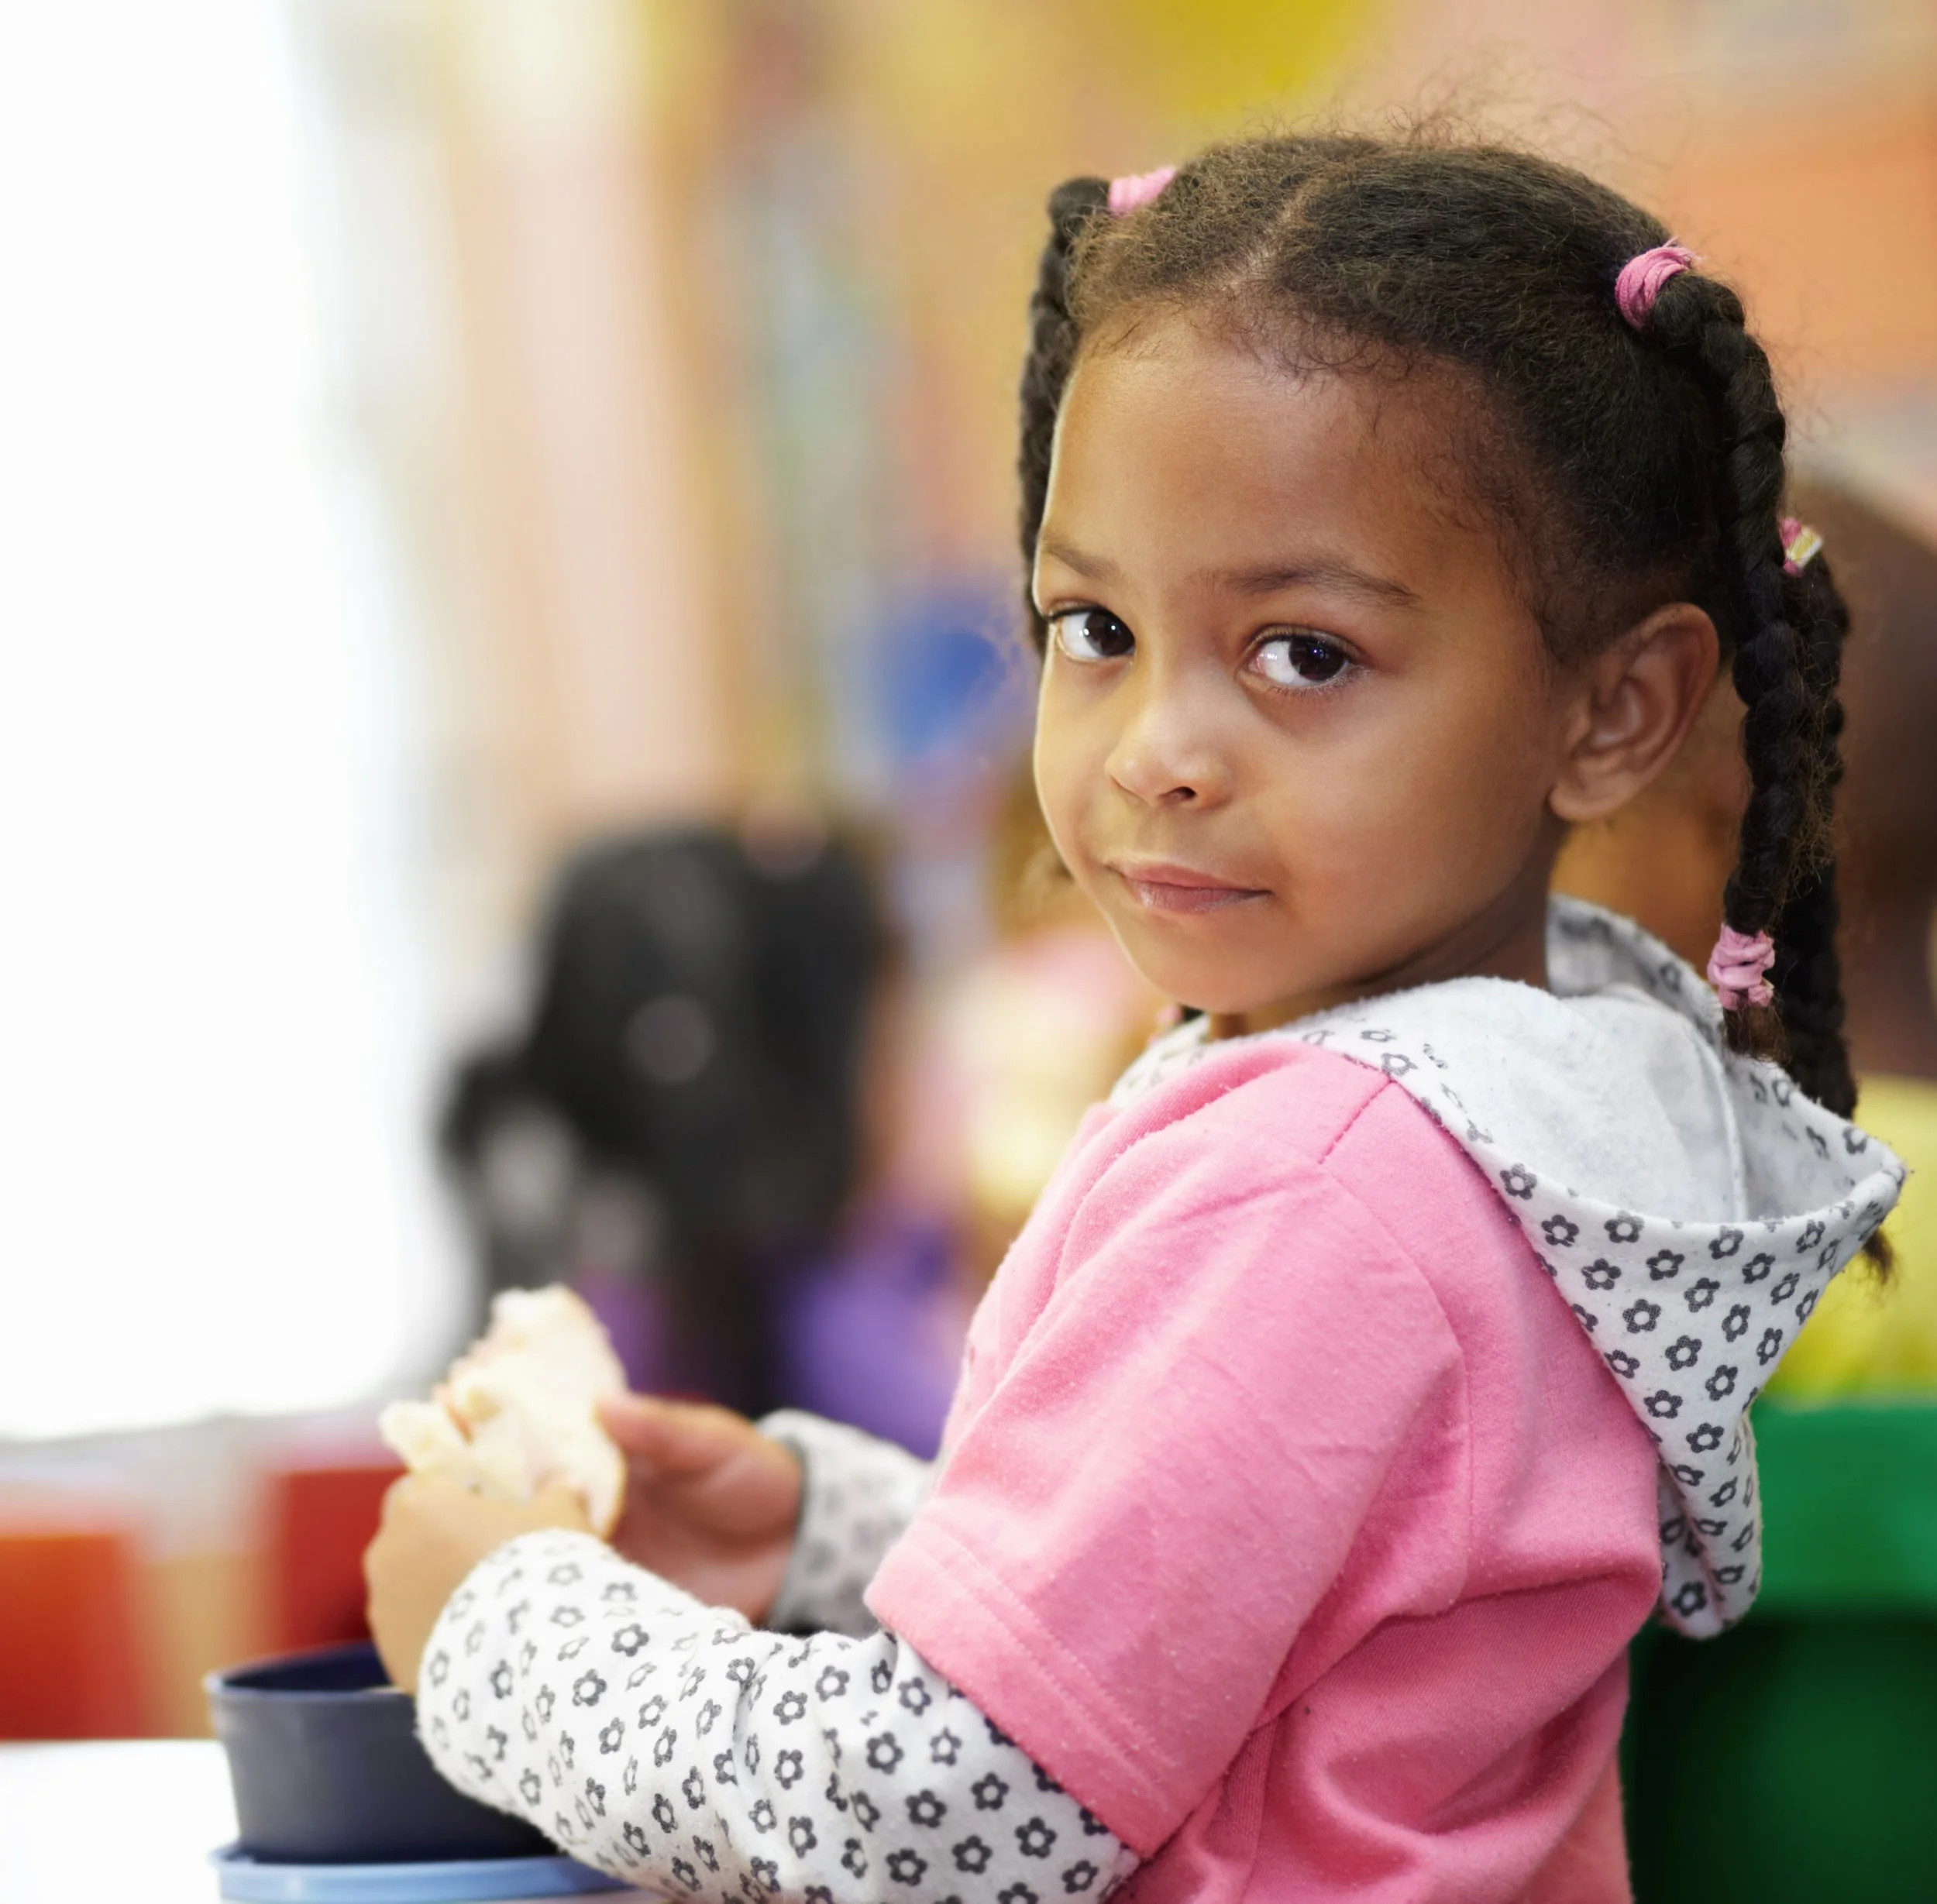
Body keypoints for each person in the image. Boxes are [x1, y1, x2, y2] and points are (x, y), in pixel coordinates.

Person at [366, 133, 1907, 1902]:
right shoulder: (1515, 1091)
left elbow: (948, 1817)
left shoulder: (1323, 1172)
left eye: (1301, 653)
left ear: (1615, 708)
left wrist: (507, 1633)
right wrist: (822, 1533)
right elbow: (1277, 1626)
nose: (1154, 746)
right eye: (1092, 623)